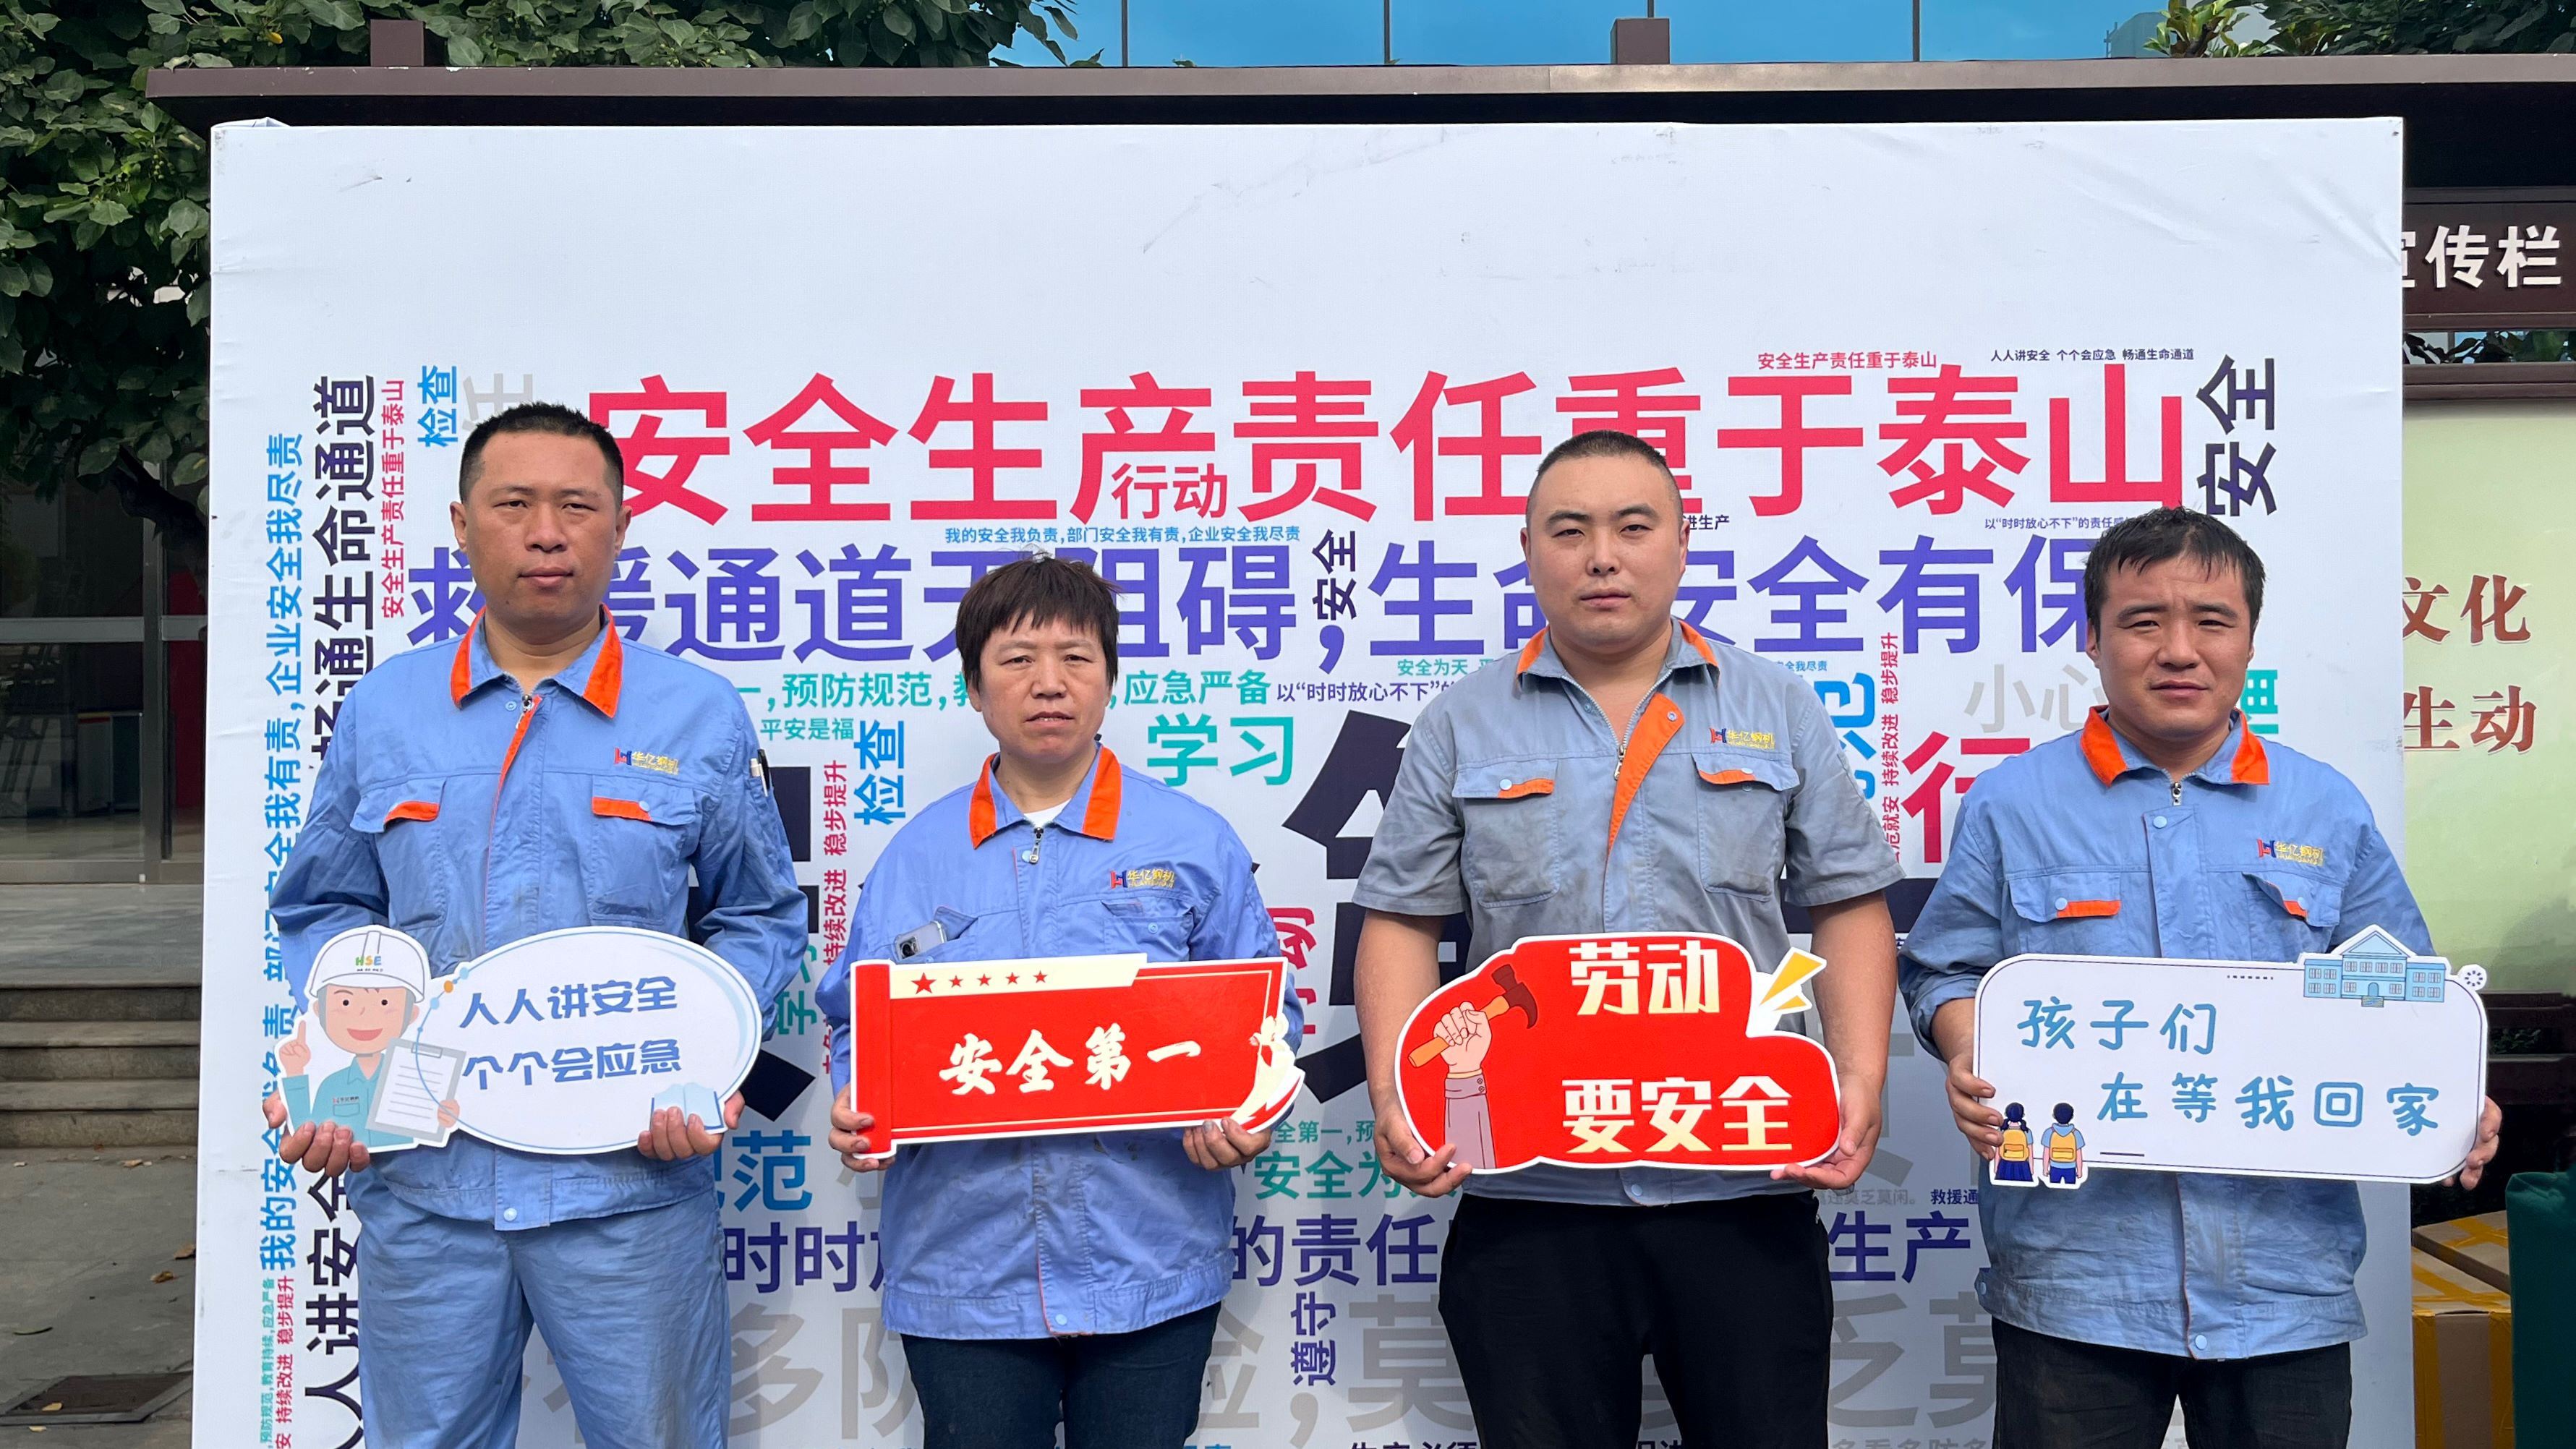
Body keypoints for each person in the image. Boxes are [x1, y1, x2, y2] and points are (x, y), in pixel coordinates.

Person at [1899, 506, 2504, 1449]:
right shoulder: (2012, 803)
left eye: (2211, 622)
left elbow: (2403, 997)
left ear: (2248, 640)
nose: (2178, 650)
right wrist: (1970, 1042)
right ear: (2092, 638)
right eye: (2142, 621)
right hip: (2075, 1272)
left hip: (2284, 1278)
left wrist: (2447, 1091)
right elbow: (1943, 966)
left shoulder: (2323, 807)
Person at [265, 402, 807, 1448]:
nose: (546, 533)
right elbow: (326, 906)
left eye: (577, 507)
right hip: (429, 1185)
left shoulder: (696, 713)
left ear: (621, 526)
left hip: (628, 1184)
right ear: (462, 526)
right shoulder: (385, 710)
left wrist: (700, 1060)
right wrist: (343, 1067)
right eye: (514, 505)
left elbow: (755, 913)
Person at [1352, 429, 1903, 1447]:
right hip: (1530, 1187)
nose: (1601, 557)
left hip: (1740, 1177)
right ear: (1528, 552)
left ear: (1682, 545)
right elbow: (1401, 918)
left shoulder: (1774, 705)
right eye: (1569, 531)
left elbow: (1847, 901)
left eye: (1632, 528)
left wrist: (1858, 1074)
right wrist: (1399, 1093)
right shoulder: (1462, 723)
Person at [819, 555, 1300, 1449]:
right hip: (966, 1270)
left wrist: (1246, 1107)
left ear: (1110, 679)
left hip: (1149, 1256)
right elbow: (858, 1017)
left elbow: (1266, 1020)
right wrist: (859, 1101)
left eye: (1077, 657)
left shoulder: (1191, 842)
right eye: (1017, 660)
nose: (1049, 683)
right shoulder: (915, 857)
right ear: (973, 688)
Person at [278, 928, 457, 1151]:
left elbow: (437, 1120)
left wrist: (449, 1116)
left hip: (419, 1164)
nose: (364, 1014)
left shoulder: (415, 1080)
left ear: (412, 1014)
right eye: (346, 1003)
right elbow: (306, 1128)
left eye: (384, 1003)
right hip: (362, 1171)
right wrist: (295, 1070)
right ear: (319, 1010)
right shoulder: (331, 1084)